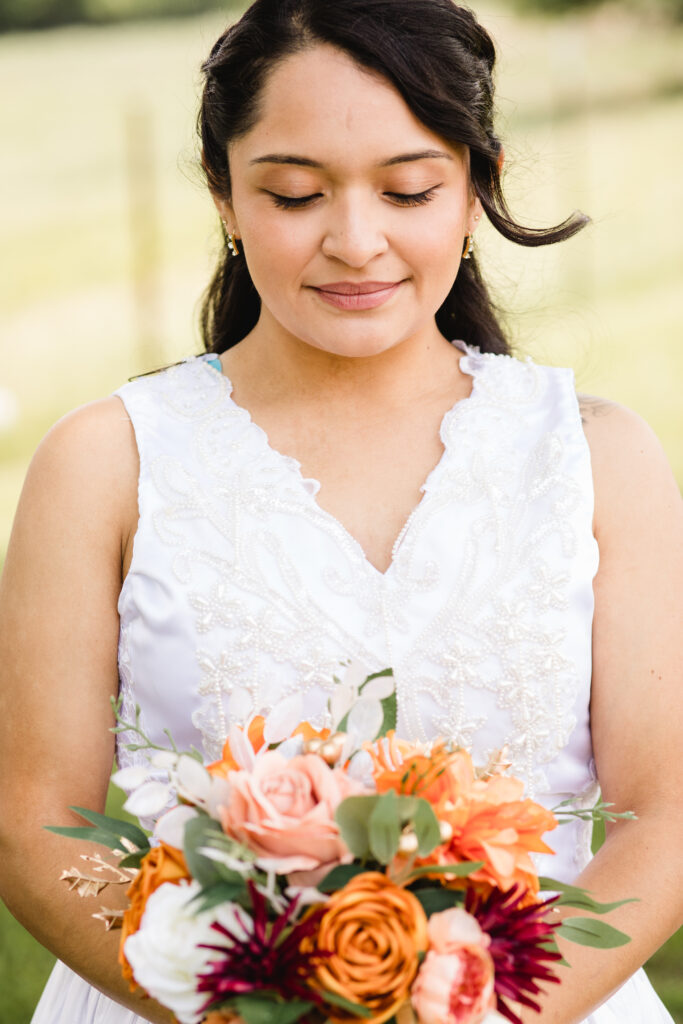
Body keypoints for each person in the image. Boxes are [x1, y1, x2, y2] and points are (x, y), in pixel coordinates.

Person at [0, 0, 680, 1022]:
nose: (355, 241)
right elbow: (34, 820)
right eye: (293, 193)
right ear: (224, 195)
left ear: (473, 188)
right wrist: (229, 1002)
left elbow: (662, 813)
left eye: (408, 189)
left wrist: (484, 1011)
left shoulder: (595, 456)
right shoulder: (103, 461)